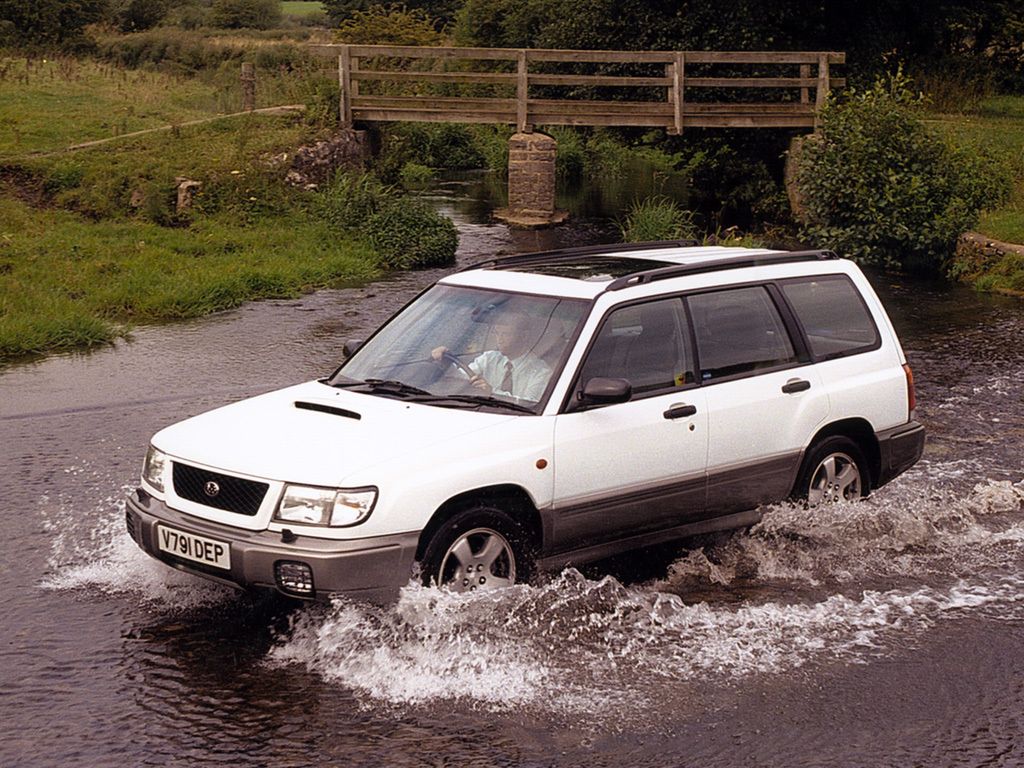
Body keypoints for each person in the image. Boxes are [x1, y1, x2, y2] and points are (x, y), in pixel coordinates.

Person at [431, 315, 552, 403]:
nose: (499, 340)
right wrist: (446, 364)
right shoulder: (489, 358)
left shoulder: (541, 371)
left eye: (506, 334)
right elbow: (463, 377)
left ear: (523, 336)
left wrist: (492, 393)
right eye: (497, 333)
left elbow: (530, 404)